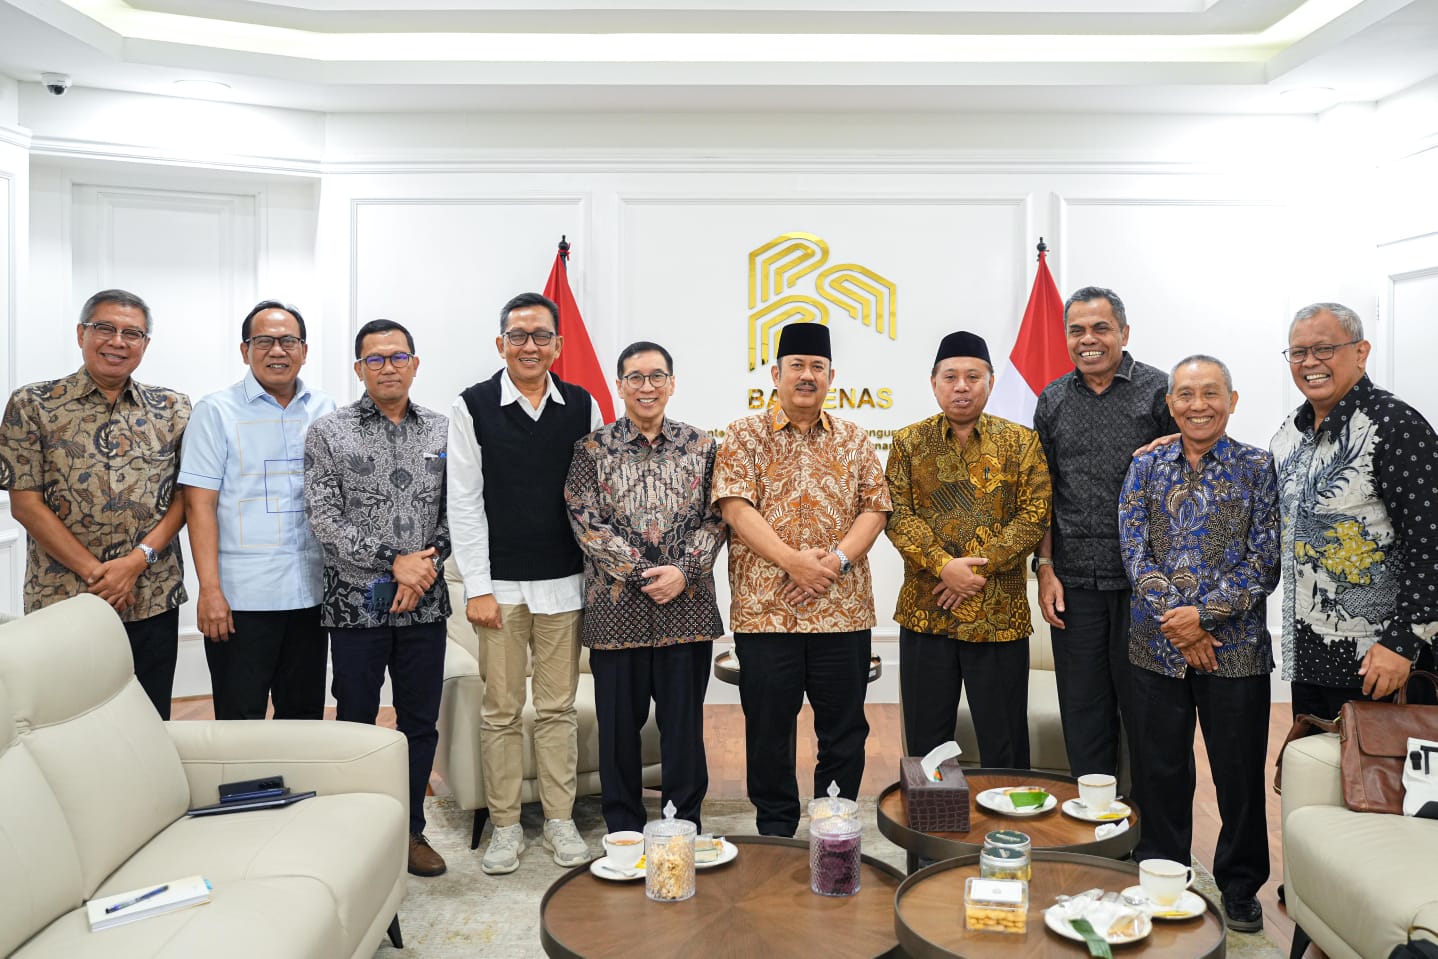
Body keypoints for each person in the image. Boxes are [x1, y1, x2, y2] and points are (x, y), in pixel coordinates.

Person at [1119, 355, 1279, 934]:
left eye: (1210, 393)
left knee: (1237, 774)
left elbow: (1264, 560)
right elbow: (1135, 552)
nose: (1197, 404)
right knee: (1160, 770)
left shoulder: (1258, 467)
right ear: (1170, 403)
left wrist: (1204, 617)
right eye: (1185, 394)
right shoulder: (1145, 465)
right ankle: (1162, 870)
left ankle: (1239, 886)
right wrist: (1178, 623)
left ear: (1232, 401)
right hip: (1155, 647)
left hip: (1234, 651)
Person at [712, 322, 891, 837]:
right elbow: (735, 508)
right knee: (769, 731)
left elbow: (876, 510)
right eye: (797, 366)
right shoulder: (744, 435)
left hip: (843, 612)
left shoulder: (856, 440)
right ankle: (774, 830)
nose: (806, 375)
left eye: (817, 367)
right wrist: (793, 561)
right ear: (776, 373)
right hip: (767, 613)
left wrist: (833, 562)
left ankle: (833, 825)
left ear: (831, 376)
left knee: (845, 730)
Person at [448, 292, 602, 875]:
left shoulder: (582, 405)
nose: (529, 346)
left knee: (558, 709)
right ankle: (507, 826)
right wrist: (479, 588)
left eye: (541, 336)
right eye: (518, 335)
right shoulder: (473, 406)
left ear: (558, 346)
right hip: (500, 590)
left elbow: (593, 501)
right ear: (500, 344)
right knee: (502, 711)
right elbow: (463, 501)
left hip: (564, 586)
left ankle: (560, 820)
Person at [304, 319, 451, 878]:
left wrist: (421, 568)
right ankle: (356, 834)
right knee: (358, 720)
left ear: (415, 363)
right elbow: (325, 518)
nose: (387, 367)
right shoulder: (328, 432)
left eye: (398, 356)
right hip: (355, 603)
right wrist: (395, 560)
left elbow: (458, 512)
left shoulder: (444, 431)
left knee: (419, 721)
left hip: (426, 602)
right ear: (358, 367)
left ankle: (412, 831)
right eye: (375, 359)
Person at [0, 289, 189, 718]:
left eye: (131, 333)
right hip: (62, 598)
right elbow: (25, 504)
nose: (117, 341)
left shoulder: (174, 409)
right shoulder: (33, 405)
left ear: (145, 344)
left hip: (151, 594)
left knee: (150, 716)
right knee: (63, 719)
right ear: (82, 333)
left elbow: (185, 499)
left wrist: (135, 563)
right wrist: (98, 575)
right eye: (105, 328)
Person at [564, 340, 726, 833]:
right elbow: (585, 521)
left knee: (683, 728)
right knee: (618, 731)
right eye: (635, 377)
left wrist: (683, 570)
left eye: (657, 376)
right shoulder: (591, 450)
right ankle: (624, 827)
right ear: (619, 385)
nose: (646, 386)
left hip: (687, 607)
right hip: (616, 612)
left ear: (672, 384)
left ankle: (683, 823)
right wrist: (641, 572)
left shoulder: (704, 446)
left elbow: (719, 517)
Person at [885, 331, 1051, 767]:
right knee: (926, 743)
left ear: (991, 382)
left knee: (1005, 741)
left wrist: (975, 572)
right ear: (934, 382)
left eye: (972, 376)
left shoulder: (1021, 442)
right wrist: (944, 567)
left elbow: (1035, 514)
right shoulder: (907, 443)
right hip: (927, 612)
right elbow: (896, 515)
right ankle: (929, 829)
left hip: (998, 616)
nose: (962, 386)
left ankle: (1008, 830)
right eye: (951, 376)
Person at [1032, 286, 1175, 780]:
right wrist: (1045, 568)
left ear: (1124, 333)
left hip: (1146, 586)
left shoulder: (1161, 391)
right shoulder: (1052, 399)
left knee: (1146, 715)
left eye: (1100, 328)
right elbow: (1043, 494)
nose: (1088, 339)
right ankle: (1093, 829)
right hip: (1075, 585)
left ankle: (1145, 835)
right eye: (1077, 330)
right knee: (1083, 714)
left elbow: (1193, 461)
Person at [1271, 302, 1438, 718]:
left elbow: (1430, 545)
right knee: (1314, 778)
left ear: (1360, 352)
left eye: (1324, 349)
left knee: (1377, 782)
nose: (1310, 362)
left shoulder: (1396, 427)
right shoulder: (1288, 434)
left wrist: (1402, 643)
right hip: (1307, 660)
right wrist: (1181, 443)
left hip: (1380, 662)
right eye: (1298, 352)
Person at [179, 300, 335, 721]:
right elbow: (199, 505)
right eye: (264, 340)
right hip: (241, 600)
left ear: (304, 350)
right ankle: (242, 790)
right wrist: (209, 591)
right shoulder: (216, 411)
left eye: (288, 341)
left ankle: (301, 789)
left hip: (311, 595)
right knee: (239, 717)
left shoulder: (325, 409)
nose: (277, 350)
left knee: (303, 714)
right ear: (245, 350)